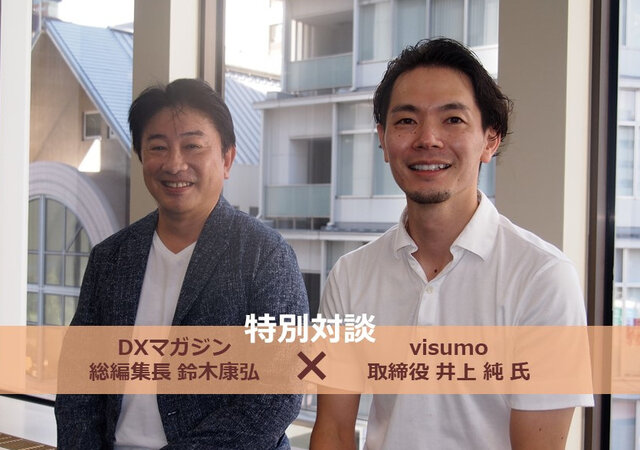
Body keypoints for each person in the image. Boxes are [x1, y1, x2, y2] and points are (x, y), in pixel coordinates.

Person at [310, 38, 592, 450]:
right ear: (382, 140)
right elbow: (333, 431)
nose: (428, 138)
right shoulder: (351, 275)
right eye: (406, 120)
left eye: (453, 119)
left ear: (490, 139)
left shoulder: (542, 277)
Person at [55, 78, 308, 449]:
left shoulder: (265, 255)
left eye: (192, 146)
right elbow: (78, 384)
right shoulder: (111, 258)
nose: (174, 164)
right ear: (142, 157)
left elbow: (276, 394)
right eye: (158, 147)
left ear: (227, 159)